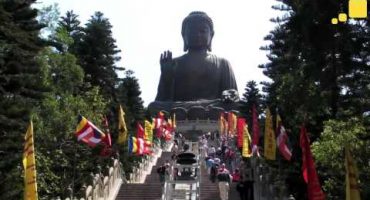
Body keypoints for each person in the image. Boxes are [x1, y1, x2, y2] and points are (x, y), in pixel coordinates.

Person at [154, 11, 238, 102]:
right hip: (180, 109)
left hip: (213, 108)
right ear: (183, 35)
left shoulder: (223, 63)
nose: (197, 35)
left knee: (233, 107)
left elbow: (233, 95)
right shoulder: (174, 63)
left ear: (211, 35)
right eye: (192, 31)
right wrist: (166, 76)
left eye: (202, 31)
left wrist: (229, 95)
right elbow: (162, 100)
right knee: (154, 107)